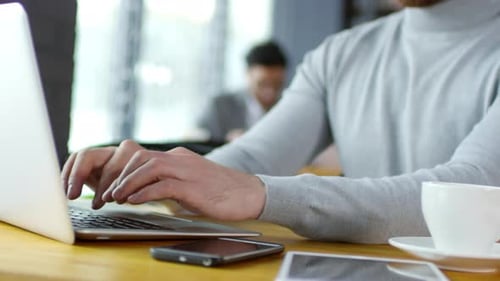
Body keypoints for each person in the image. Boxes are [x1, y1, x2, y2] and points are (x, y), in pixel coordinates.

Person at [63, 0, 500, 243]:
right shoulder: (341, 53)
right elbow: (252, 155)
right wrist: (165, 176)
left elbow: (475, 189)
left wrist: (262, 193)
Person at [197, 40, 287, 142]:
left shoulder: (288, 108)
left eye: (277, 84)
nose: (270, 91)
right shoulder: (220, 106)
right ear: (247, 74)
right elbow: (198, 141)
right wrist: (227, 143)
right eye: (263, 84)